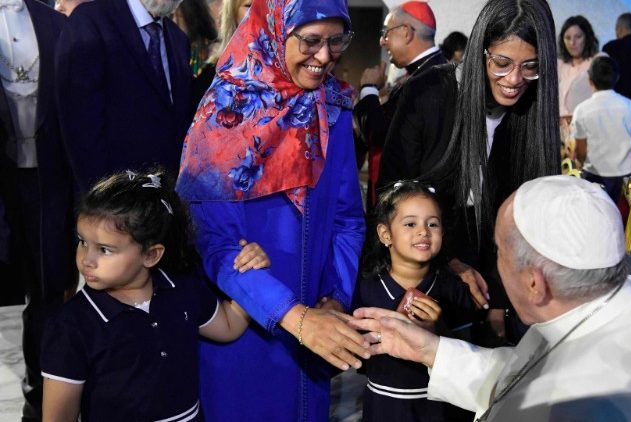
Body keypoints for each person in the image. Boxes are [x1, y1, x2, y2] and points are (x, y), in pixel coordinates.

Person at [350, 175, 631, 421]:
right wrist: (431, 350)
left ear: (534, 285)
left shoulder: (561, 402)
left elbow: (532, 388)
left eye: (499, 253)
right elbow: (523, 372)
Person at [176, 0, 368, 420]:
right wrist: (294, 317)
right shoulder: (224, 114)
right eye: (312, 41)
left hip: (315, 334)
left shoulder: (332, 110)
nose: (325, 56)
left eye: (337, 40)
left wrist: (334, 298)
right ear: (274, 29)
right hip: (245, 329)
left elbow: (346, 219)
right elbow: (213, 242)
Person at [376, 0, 561, 342]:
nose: (515, 80)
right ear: (480, 52)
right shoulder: (428, 92)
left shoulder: (532, 111)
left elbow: (522, 219)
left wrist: (500, 301)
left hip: (495, 270)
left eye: (531, 67)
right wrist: (449, 261)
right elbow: (391, 195)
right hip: (421, 263)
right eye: (502, 63)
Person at [39, 169, 266, 422]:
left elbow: (228, 325)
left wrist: (249, 270)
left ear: (151, 255)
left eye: (104, 249)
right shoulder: (70, 326)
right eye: (82, 242)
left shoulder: (183, 290)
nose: (86, 260)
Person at [0, 1, 76, 420]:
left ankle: (44, 390)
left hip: (50, 180)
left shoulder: (55, 24)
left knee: (49, 289)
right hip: (6, 178)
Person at [354, 180, 475, 422]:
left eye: (433, 224)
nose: (423, 231)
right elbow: (358, 358)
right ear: (385, 234)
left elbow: (470, 357)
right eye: (410, 224)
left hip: (440, 410)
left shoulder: (453, 289)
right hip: (384, 407)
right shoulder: (365, 289)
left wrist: (437, 331)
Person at [55, 0, 194, 191]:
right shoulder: (90, 22)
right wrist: (102, 196)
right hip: (112, 198)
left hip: (162, 199)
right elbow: (79, 125)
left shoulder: (178, 41)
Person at [354, 1, 446, 208]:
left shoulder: (423, 82)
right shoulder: (431, 72)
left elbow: (380, 134)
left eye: (386, 33)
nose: (382, 41)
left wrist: (368, 88)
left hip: (406, 205)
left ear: (406, 32)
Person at [570, 55, 631, 202]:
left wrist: (578, 165)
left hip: (594, 175)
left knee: (597, 216)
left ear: (590, 81)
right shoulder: (630, 106)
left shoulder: (582, 110)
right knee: (628, 213)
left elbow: (581, 151)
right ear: (617, 78)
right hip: (628, 177)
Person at [557, 15, 599, 142]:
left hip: (587, 133)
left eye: (578, 37)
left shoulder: (596, 62)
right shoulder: (559, 65)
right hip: (559, 133)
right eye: (568, 37)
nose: (572, 43)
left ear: (587, 37)